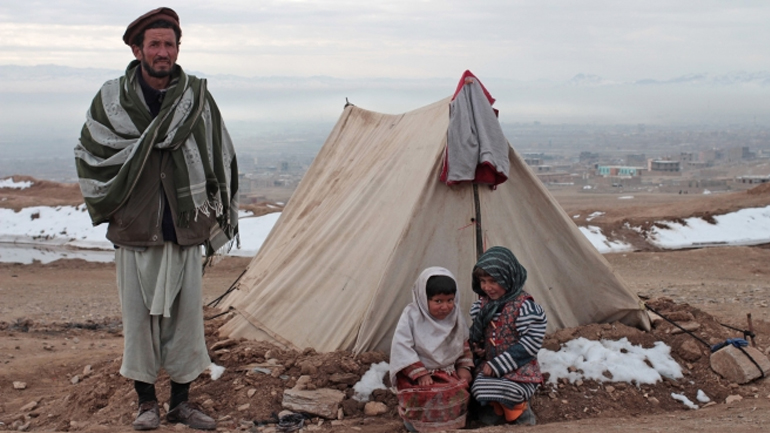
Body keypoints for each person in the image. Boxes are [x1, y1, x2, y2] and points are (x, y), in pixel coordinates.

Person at [74, 7, 238, 431]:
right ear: (137, 49)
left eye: (170, 44)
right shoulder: (112, 98)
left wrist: (218, 207)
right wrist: (114, 201)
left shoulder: (196, 97)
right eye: (155, 44)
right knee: (139, 323)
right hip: (136, 228)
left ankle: (182, 403)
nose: (163, 52)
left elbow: (218, 151)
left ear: (178, 49)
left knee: (186, 325)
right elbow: (91, 151)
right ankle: (146, 404)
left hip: (184, 228)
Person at [468, 246, 547, 426]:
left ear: (508, 277)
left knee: (512, 390)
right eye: (482, 281)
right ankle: (497, 409)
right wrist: (479, 349)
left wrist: (499, 364)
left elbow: (531, 342)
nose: (486, 287)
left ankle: (519, 411)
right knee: (478, 387)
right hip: (489, 366)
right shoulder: (482, 307)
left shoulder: (524, 307)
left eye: (493, 281)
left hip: (517, 367)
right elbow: (478, 335)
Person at [389, 267, 474, 432]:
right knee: (423, 396)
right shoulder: (412, 315)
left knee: (458, 392)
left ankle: (451, 426)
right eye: (438, 301)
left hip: (449, 372)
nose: (446, 306)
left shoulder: (456, 316)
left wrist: (464, 367)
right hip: (419, 374)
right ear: (423, 298)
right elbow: (402, 346)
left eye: (450, 300)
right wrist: (420, 373)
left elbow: (463, 343)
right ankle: (415, 426)